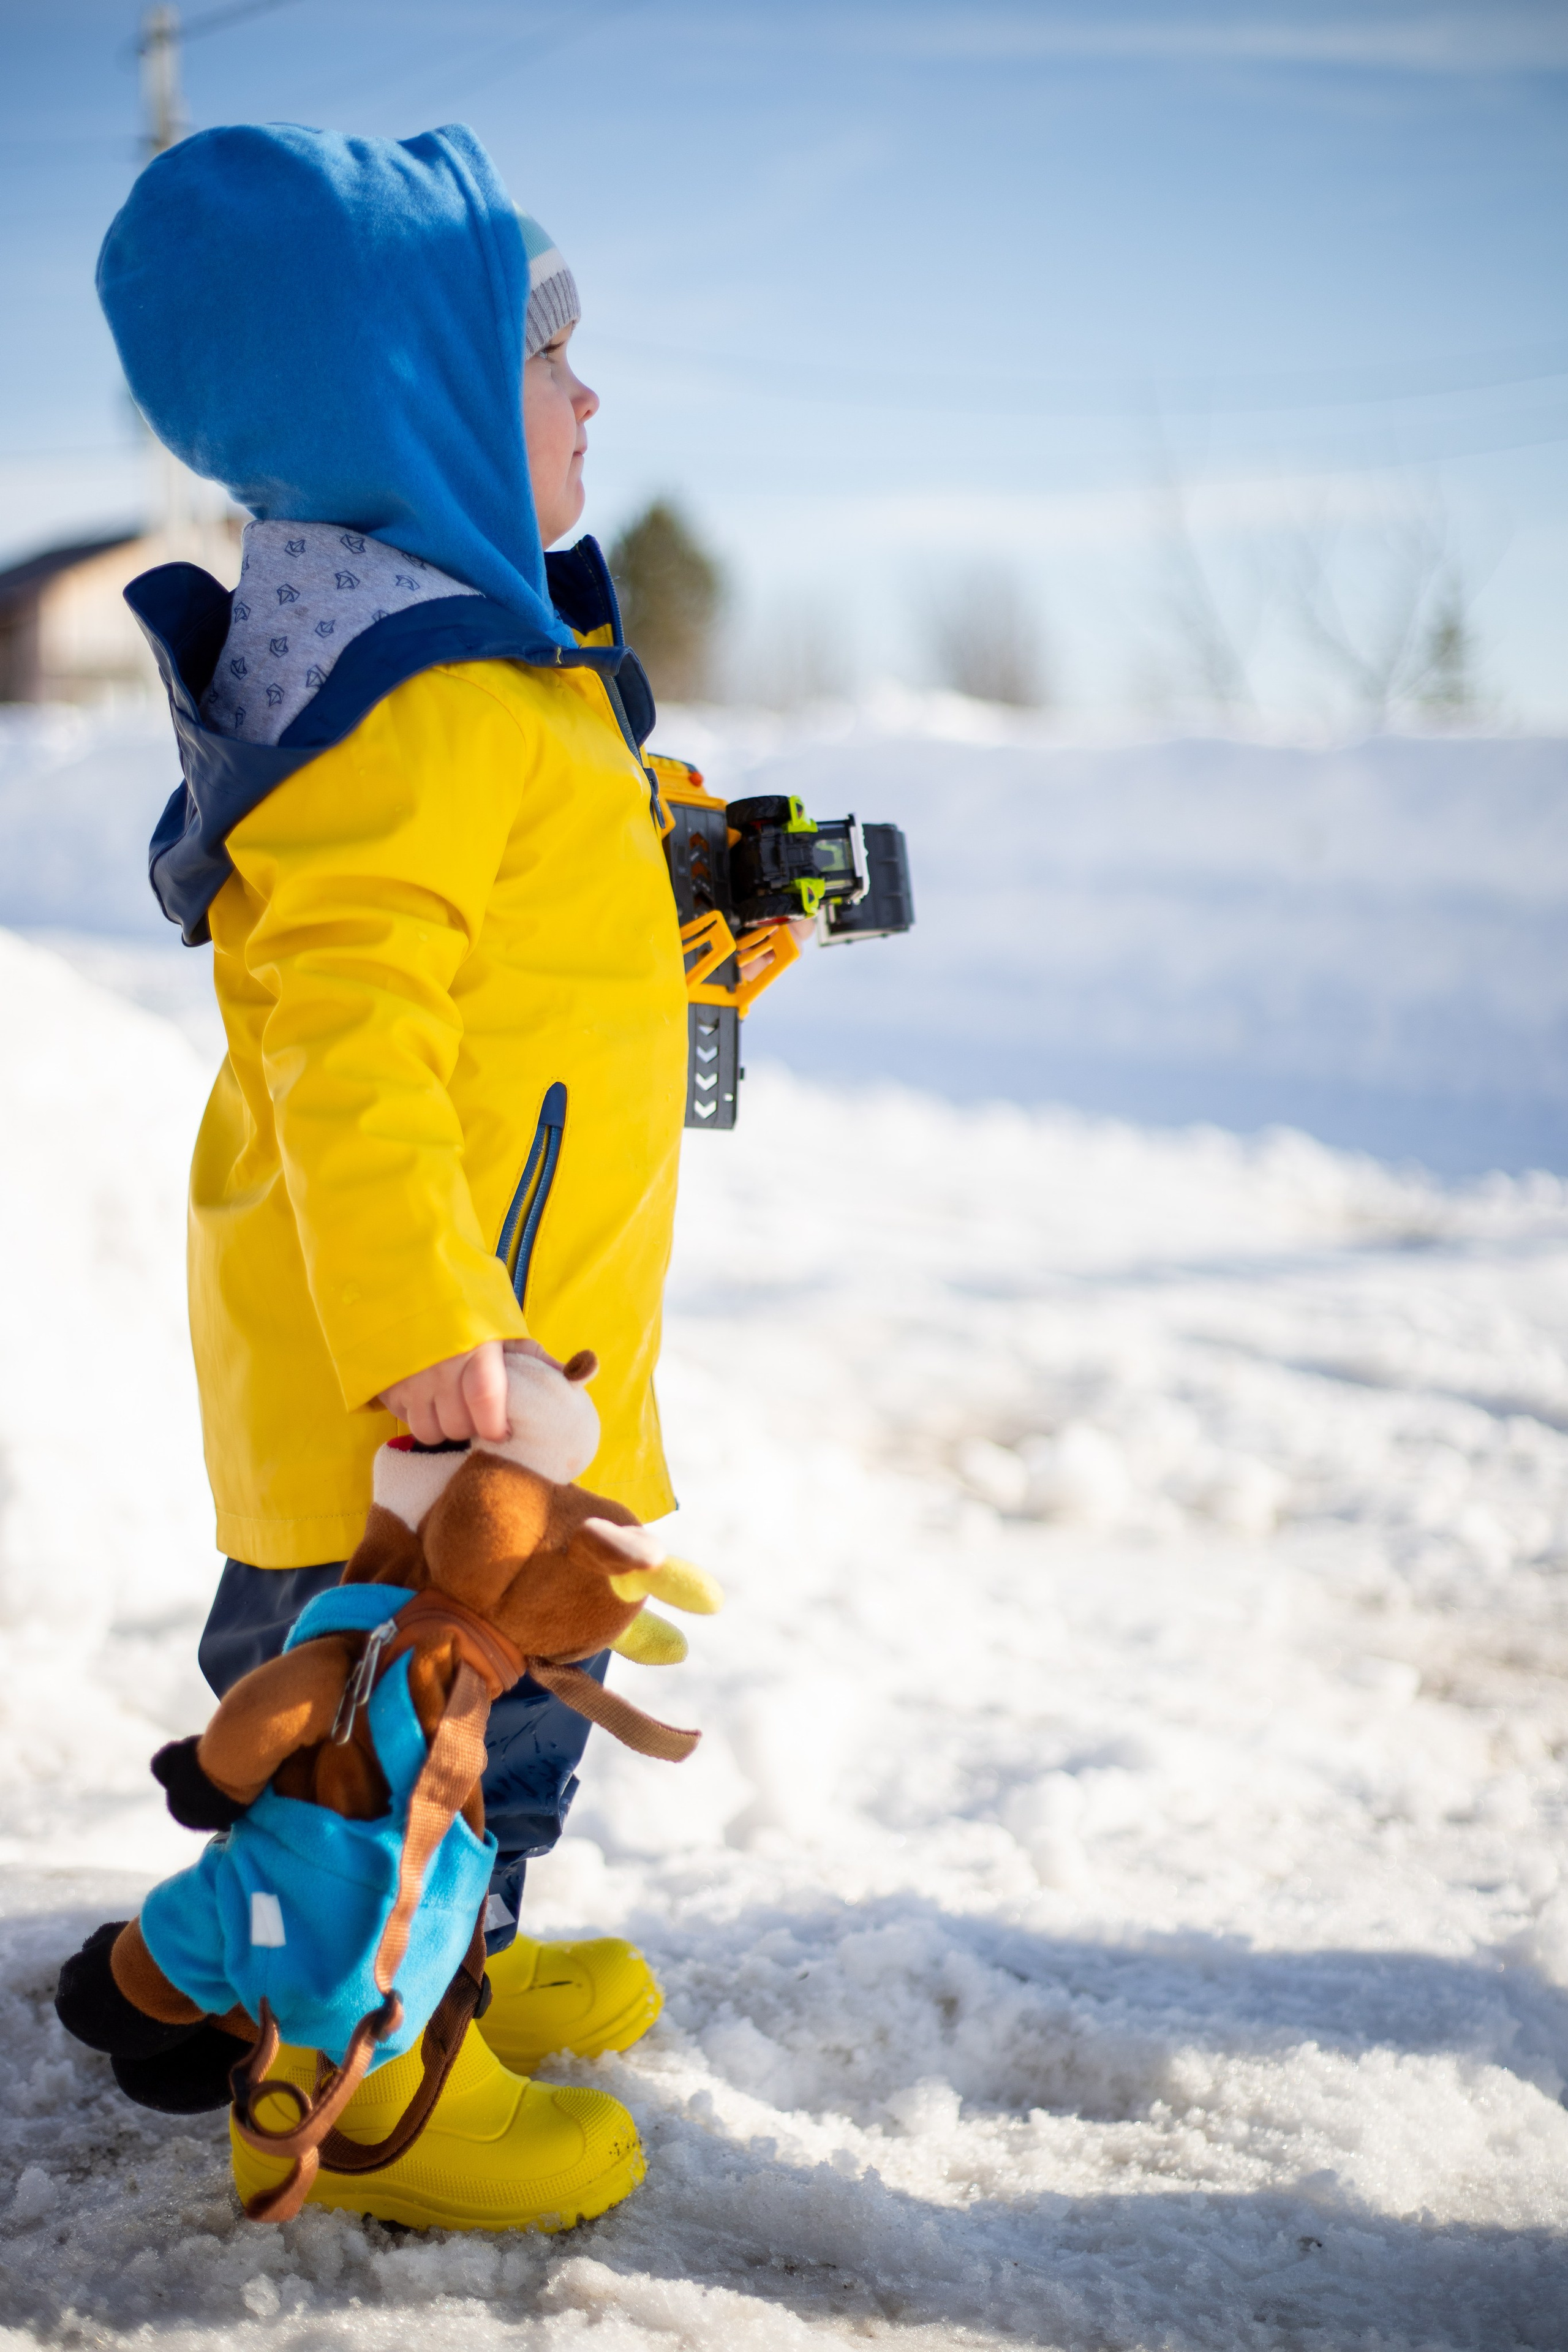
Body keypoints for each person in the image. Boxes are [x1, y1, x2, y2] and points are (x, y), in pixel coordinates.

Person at [94, 120, 696, 2234]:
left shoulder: (477, 669)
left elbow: (520, 945)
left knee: (484, 1700)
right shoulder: (411, 706)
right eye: (547, 355)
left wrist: (686, 917)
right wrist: (428, 1320)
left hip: (498, 1358)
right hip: (432, 1375)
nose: (590, 396)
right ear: (427, 392)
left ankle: (469, 1948)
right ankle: (353, 2095)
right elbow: (354, 1031)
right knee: (378, 1729)